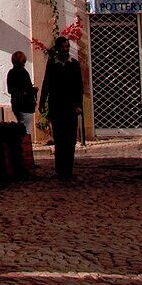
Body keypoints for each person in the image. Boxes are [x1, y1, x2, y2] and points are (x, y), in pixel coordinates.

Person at [39, 36, 84, 179]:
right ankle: (60, 169)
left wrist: (78, 105)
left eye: (67, 47)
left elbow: (79, 86)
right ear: (58, 48)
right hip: (57, 107)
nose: (66, 49)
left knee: (70, 140)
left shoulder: (74, 64)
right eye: (63, 47)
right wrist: (42, 102)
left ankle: (68, 170)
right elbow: (46, 83)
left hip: (70, 107)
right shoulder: (52, 64)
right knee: (59, 139)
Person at [6, 50, 37, 134]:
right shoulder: (24, 73)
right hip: (26, 104)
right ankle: (25, 146)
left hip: (16, 104)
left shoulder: (11, 73)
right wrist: (33, 90)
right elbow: (27, 88)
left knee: (21, 127)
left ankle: (21, 145)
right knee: (26, 130)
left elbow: (10, 90)